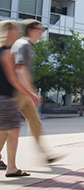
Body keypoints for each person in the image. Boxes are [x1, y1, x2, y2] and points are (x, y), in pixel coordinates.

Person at [0, 19, 61, 166]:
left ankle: (45, 154)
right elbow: (20, 70)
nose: (41, 32)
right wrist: (31, 92)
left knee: (33, 123)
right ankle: (14, 165)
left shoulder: (23, 45)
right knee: (9, 127)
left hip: (20, 91)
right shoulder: (24, 45)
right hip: (17, 92)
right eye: (39, 29)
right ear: (32, 30)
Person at [0, 20, 40, 177]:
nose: (17, 33)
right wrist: (31, 94)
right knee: (13, 131)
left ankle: (11, 167)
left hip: (4, 97)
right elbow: (13, 79)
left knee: (9, 131)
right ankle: (11, 168)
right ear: (8, 32)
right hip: (5, 98)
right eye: (14, 31)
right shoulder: (6, 53)